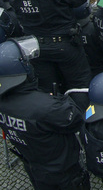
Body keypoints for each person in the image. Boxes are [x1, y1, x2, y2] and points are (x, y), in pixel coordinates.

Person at [6, 0, 91, 106]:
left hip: (34, 46)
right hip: (64, 43)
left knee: (47, 91)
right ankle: (83, 125)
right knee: (79, 87)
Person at [0, 38, 89, 190]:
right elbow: (75, 118)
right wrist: (60, 99)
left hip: (35, 167)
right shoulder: (46, 106)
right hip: (64, 173)